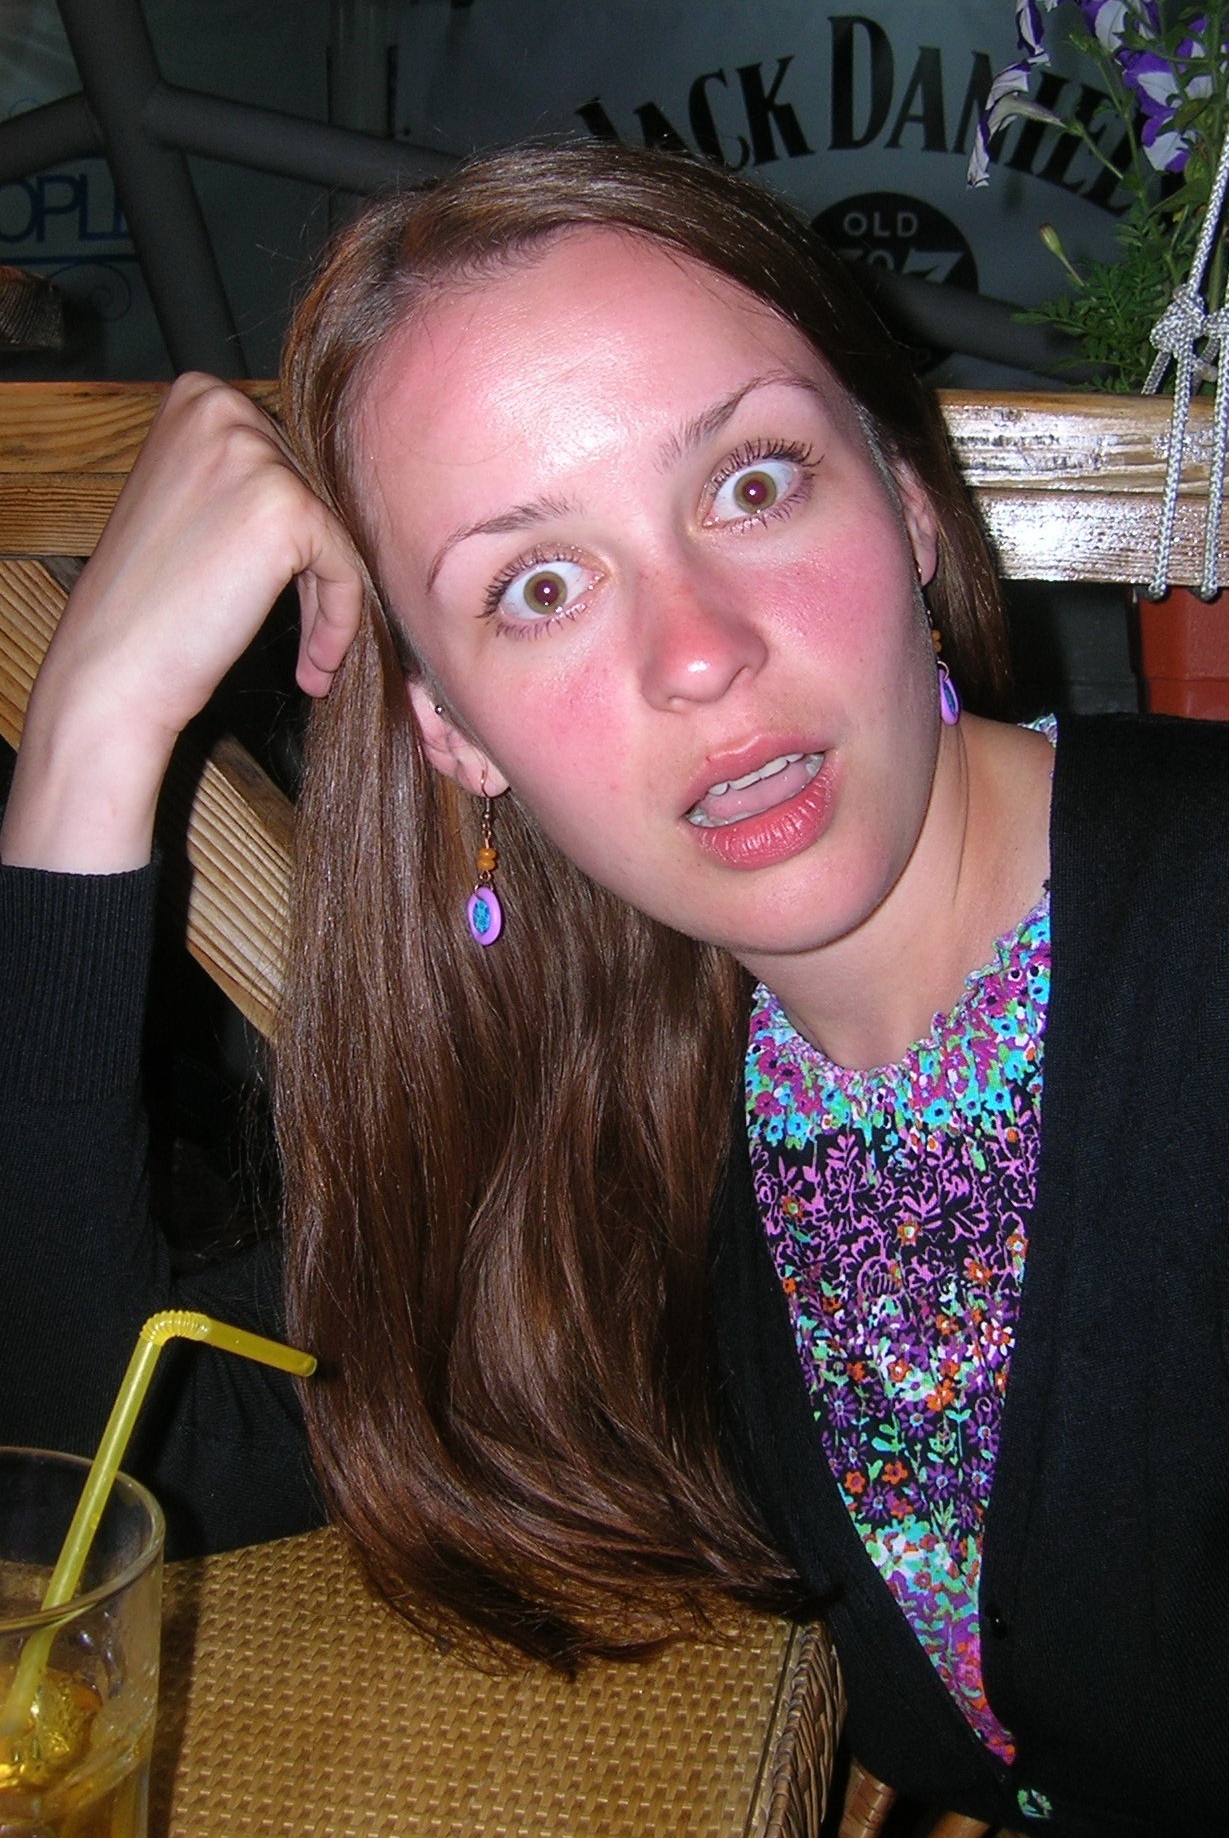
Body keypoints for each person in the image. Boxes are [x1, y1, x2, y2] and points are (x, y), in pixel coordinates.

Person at [2, 142, 1226, 1836]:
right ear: (454, 733)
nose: (698, 650)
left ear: (906, 501)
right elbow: (101, 1461)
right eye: (540, 588)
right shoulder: (642, 1127)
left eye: (752, 484)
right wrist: (89, 741)